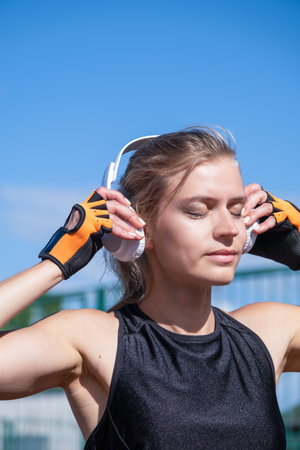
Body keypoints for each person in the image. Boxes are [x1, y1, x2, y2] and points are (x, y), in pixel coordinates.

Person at [0, 127, 299, 450]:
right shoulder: (94, 340)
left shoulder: (269, 333)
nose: (229, 229)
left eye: (237, 211)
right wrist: (55, 265)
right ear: (138, 227)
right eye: (198, 211)